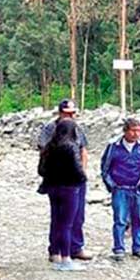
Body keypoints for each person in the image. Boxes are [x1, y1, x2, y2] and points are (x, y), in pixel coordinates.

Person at [37, 99, 92, 261]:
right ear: (60, 112)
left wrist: (83, 173)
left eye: (73, 113)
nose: (71, 116)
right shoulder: (50, 129)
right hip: (62, 180)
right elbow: (43, 153)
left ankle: (74, 247)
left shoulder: (77, 129)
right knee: (61, 218)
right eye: (68, 113)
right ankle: (60, 251)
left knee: (77, 216)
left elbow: (83, 151)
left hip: (74, 179)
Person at [100, 119, 140, 260]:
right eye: (133, 130)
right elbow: (105, 168)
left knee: (139, 219)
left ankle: (138, 247)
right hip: (120, 189)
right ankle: (119, 249)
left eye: (138, 130)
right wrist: (112, 185)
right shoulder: (113, 146)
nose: (136, 134)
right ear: (125, 131)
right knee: (120, 220)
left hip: (139, 189)